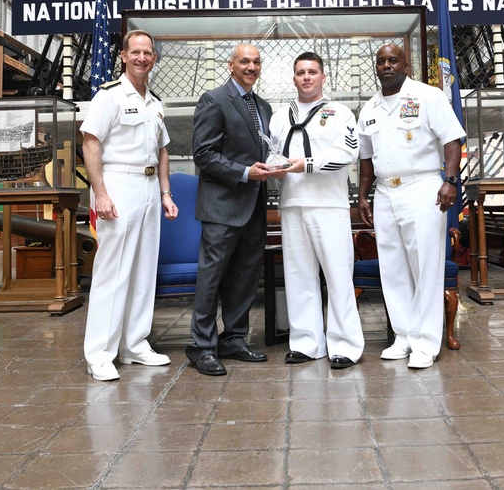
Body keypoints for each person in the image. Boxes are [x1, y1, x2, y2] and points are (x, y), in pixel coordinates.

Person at [356, 44, 465, 370]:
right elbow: (365, 158)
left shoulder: (428, 97)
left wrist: (450, 180)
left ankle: (426, 343)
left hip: (423, 188)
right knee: (393, 267)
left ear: (406, 64)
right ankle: (403, 337)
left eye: (393, 60)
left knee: (425, 266)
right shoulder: (370, 108)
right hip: (385, 193)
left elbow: (451, 141)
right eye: (381, 61)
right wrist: (363, 195)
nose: (387, 65)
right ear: (376, 67)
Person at [80, 30, 178, 381]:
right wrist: (101, 193)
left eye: (148, 53)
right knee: (113, 271)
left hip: (150, 187)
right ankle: (100, 354)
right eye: (135, 52)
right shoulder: (109, 96)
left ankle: (135, 344)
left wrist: (166, 193)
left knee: (142, 270)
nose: (141, 58)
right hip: (118, 183)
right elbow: (90, 143)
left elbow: (162, 151)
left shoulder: (154, 101)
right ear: (123, 56)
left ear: (154, 58)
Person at [186, 43, 278, 376]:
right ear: (231, 65)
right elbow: (204, 154)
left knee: (245, 277)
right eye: (245, 61)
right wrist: (243, 173)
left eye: (256, 62)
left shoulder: (264, 107)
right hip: (222, 206)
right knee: (211, 278)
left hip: (254, 205)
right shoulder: (214, 100)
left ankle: (234, 339)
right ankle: (202, 346)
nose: (251, 67)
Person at [269, 52, 364, 370]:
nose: (306, 77)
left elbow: (349, 153)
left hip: (329, 206)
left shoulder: (340, 113)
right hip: (293, 204)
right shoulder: (280, 116)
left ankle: (346, 345)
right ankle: (306, 343)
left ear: (324, 78)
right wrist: (272, 168)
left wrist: (306, 164)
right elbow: (272, 153)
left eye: (312, 72)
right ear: (293, 78)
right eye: (300, 72)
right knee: (298, 276)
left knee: (338, 276)